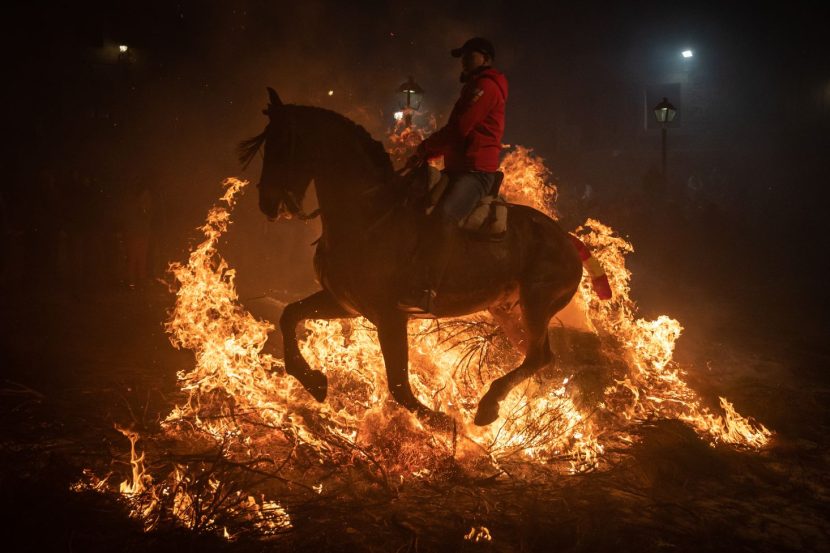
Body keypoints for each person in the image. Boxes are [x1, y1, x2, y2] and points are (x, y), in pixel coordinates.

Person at [397, 37, 508, 314]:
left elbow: (459, 130)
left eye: (471, 55)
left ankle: (428, 290)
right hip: (458, 168)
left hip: (476, 172)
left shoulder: (485, 87)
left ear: (486, 59)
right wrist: (428, 155)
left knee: (445, 215)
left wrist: (425, 148)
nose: (465, 60)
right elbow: (457, 135)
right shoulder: (474, 87)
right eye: (463, 56)